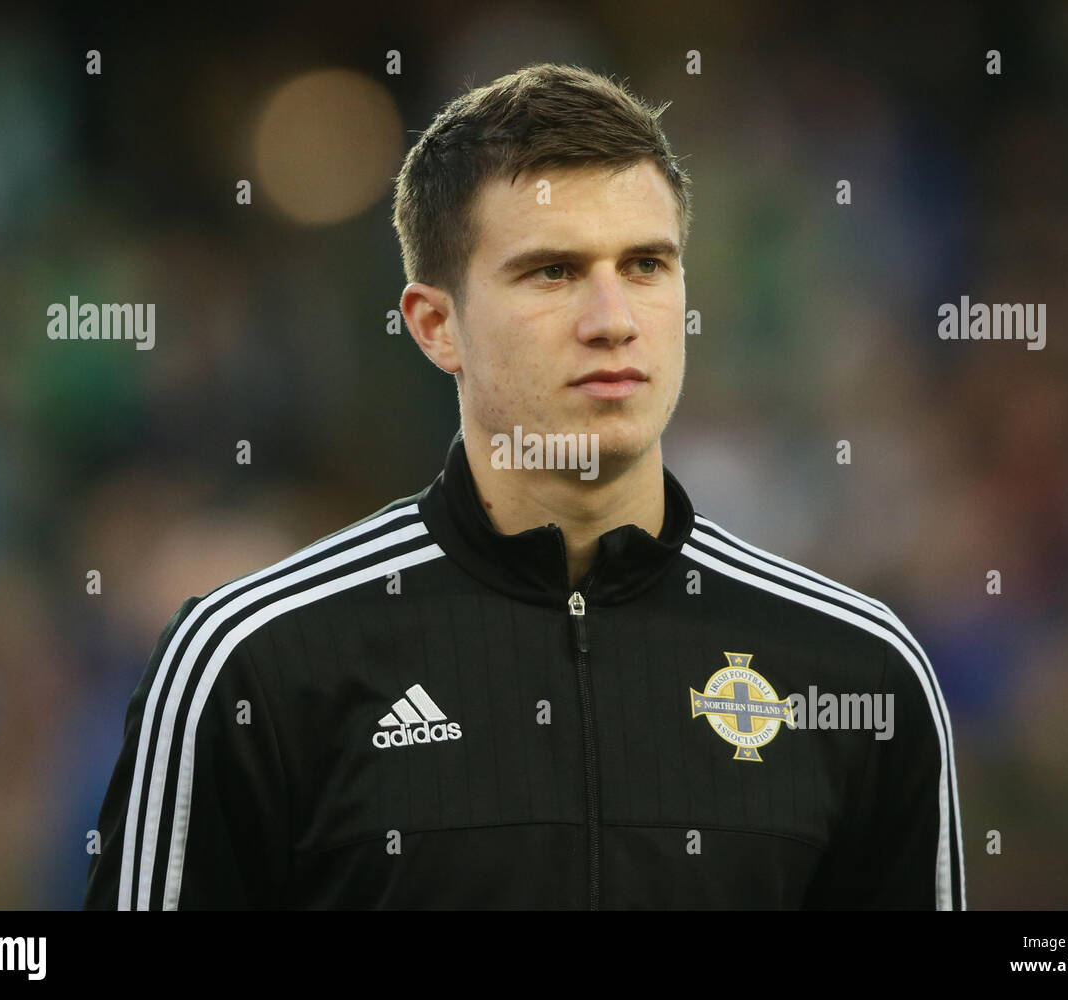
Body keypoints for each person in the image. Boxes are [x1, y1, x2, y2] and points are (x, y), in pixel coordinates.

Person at [84, 62, 964, 910]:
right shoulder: (254, 666)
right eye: (554, 271)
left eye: (647, 266)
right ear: (436, 326)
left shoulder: (859, 670)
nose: (614, 321)